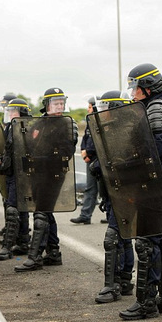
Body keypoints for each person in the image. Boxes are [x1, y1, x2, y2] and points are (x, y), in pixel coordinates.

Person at [119, 64, 162, 320]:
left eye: (135, 87)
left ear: (147, 87)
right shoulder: (158, 106)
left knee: (147, 242)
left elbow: (152, 149)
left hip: (158, 181)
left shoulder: (157, 108)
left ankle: (146, 303)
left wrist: (128, 165)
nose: (133, 93)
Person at [15, 87, 77, 272]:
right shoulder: (39, 123)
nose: (59, 106)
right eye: (56, 103)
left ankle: (34, 257)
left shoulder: (67, 123)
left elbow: (66, 152)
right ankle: (53, 253)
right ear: (47, 104)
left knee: (41, 212)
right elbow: (29, 144)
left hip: (54, 173)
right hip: (37, 173)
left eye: (61, 102)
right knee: (46, 212)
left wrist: (42, 159)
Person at [89, 91, 136, 303]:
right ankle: (125, 280)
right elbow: (93, 152)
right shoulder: (107, 129)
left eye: (107, 106)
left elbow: (117, 161)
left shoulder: (126, 131)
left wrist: (97, 165)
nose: (103, 111)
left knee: (113, 238)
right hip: (111, 190)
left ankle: (112, 286)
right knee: (124, 237)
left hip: (125, 191)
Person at [0, 98, 32, 261]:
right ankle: (23, 242)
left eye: (13, 111)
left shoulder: (27, 127)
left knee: (13, 209)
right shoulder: (11, 127)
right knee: (21, 209)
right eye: (9, 111)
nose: (10, 114)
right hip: (13, 173)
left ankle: (8, 246)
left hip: (22, 173)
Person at [71, 96, 99, 225]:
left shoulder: (99, 121)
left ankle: (112, 215)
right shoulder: (90, 120)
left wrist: (89, 153)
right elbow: (86, 138)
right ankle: (85, 215)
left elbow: (96, 141)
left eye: (89, 106)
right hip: (91, 160)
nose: (88, 109)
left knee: (106, 190)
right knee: (90, 188)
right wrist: (84, 151)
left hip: (97, 160)